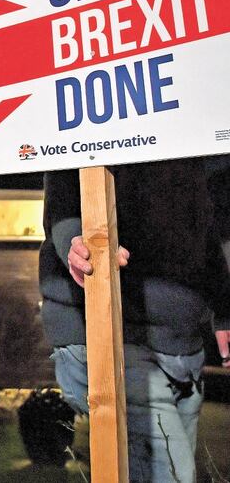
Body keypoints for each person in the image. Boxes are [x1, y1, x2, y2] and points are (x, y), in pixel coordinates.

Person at [39, 159, 230, 482]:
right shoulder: (98, 127)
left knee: (174, 471)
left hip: (183, 344)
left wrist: (224, 312)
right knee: (173, 475)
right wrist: (78, 242)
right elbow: (65, 190)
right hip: (115, 333)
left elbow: (206, 228)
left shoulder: (190, 139)